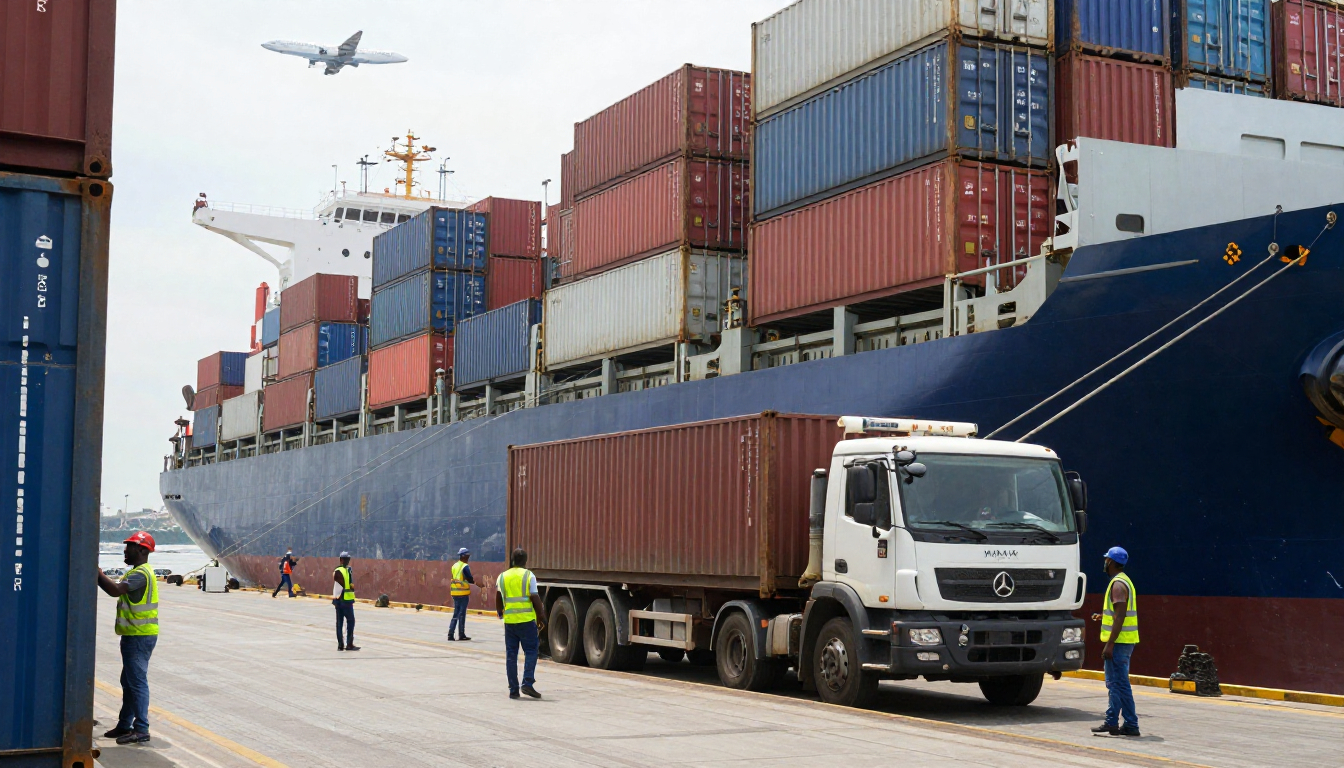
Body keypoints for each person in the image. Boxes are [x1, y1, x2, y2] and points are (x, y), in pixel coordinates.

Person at [96, 532, 160, 745]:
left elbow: (115, 590)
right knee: (129, 681)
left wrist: (96, 573)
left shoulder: (140, 574)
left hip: (139, 636)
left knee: (137, 682)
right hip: (135, 634)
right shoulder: (137, 571)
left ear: (142, 550)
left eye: (129, 547)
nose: (125, 550)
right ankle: (125, 724)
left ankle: (141, 729)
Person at [1091, 546, 1140, 737]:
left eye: (1106, 559)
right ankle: (1129, 724)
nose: (1105, 563)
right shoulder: (1125, 581)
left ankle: (1114, 722)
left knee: (1116, 684)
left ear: (1110, 562)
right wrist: (1103, 617)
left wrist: (1109, 644)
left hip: (1119, 643)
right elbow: (1117, 614)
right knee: (1121, 684)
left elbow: (1120, 616)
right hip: (1126, 641)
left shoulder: (1117, 584)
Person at [495, 548, 546, 699]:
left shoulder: (502, 576)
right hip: (526, 621)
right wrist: (541, 616)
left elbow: (498, 597)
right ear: (525, 561)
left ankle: (513, 690)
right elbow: (535, 597)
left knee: (511, 655)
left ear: (512, 560)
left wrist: (500, 614)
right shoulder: (528, 575)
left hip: (510, 622)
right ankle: (527, 683)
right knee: (531, 651)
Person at [447, 547, 481, 641]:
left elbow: (454, 578)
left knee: (456, 613)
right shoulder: (465, 566)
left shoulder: (454, 566)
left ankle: (451, 634)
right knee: (461, 614)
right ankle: (461, 634)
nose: (468, 558)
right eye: (467, 556)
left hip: (454, 592)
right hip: (462, 592)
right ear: (463, 556)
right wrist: (477, 583)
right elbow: (469, 578)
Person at [332, 552, 360, 651]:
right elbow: (341, 584)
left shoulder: (346, 570)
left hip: (340, 600)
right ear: (341, 560)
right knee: (350, 621)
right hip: (345, 601)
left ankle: (341, 645)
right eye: (346, 559)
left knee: (339, 623)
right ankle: (349, 644)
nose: (347, 561)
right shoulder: (340, 571)